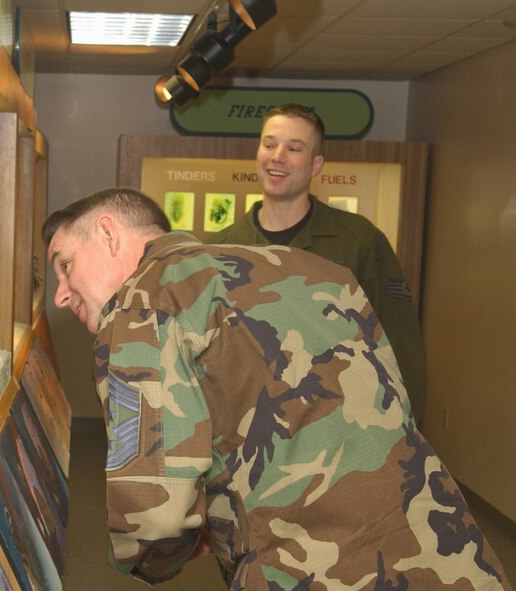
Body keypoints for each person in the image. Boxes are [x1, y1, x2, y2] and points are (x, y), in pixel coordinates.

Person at [42, 187, 511, 590]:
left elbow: (156, 517)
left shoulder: (140, 309)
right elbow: (390, 405)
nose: (60, 294)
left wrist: (155, 556)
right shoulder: (314, 269)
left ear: (108, 233)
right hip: (448, 548)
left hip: (312, 569)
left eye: (66, 265)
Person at [206, 103, 427, 424]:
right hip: (245, 432)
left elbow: (400, 343)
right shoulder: (219, 249)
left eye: (294, 148)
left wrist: (404, 429)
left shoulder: (357, 241)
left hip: (337, 428)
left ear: (315, 165)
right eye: (269, 144)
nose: (277, 156)